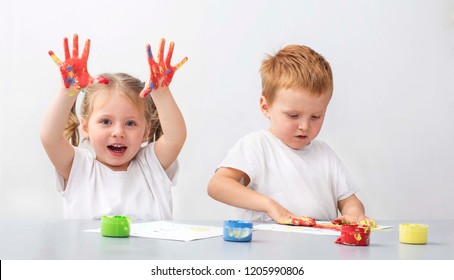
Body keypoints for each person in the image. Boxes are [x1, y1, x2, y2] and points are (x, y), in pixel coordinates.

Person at [207, 44, 373, 225]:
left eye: (316, 116)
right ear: (266, 107)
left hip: (319, 247)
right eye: (293, 116)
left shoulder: (325, 154)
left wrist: (354, 213)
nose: (305, 126)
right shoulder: (257, 145)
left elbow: (349, 200)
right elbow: (217, 186)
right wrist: (269, 205)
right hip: (268, 249)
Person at [41, 34, 187, 220]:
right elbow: (50, 138)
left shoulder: (152, 164)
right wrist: (68, 92)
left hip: (147, 250)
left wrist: (162, 93)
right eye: (106, 122)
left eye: (130, 123)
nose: (118, 132)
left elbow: (176, 138)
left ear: (146, 132)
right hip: (85, 250)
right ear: (85, 127)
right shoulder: (78, 167)